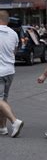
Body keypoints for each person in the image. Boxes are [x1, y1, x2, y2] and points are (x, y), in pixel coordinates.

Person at [0, 10, 24, 138]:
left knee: (0, 100)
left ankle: (15, 122)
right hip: (9, 70)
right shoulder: (13, 33)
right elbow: (13, 52)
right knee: (3, 99)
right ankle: (2, 127)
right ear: (7, 20)